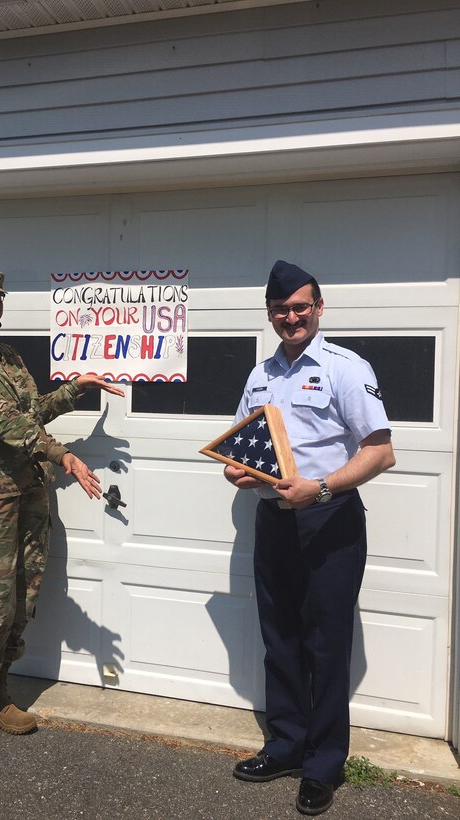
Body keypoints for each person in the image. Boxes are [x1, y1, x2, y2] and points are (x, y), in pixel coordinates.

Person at [0, 267, 124, 756]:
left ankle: (0, 693)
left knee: (23, 596)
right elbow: (1, 420)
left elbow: (28, 414)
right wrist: (63, 455)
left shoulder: (10, 357)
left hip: (29, 493)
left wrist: (74, 389)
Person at [225, 260, 395, 816]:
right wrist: (237, 470)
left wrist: (319, 489)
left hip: (330, 520)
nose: (290, 317)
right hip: (274, 520)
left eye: (300, 307)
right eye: (280, 309)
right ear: (270, 313)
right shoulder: (260, 375)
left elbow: (380, 451)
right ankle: (286, 746)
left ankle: (324, 764)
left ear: (319, 309)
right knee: (280, 638)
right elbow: (244, 444)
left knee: (326, 644)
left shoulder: (346, 368)